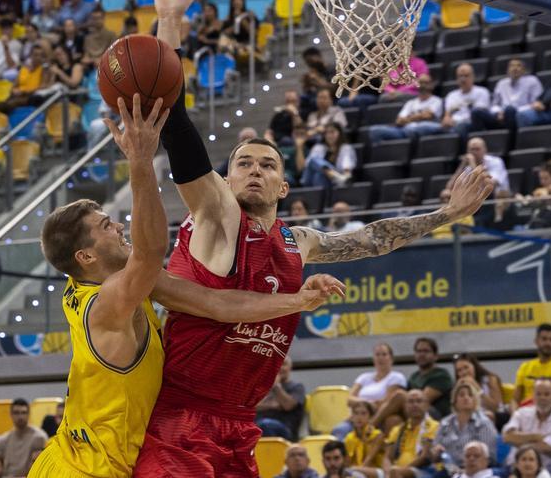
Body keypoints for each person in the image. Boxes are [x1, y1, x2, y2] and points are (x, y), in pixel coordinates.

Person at [132, 0, 493, 475]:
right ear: (227, 177)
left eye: (267, 165)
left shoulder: (296, 242)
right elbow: (176, 122)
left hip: (240, 424)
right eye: (243, 164)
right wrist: (170, 18)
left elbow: (375, 237)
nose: (254, 170)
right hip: (181, 420)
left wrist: (447, 215)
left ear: (283, 187)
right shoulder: (217, 216)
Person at [30, 94, 343, 477]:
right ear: (86, 257)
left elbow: (218, 304)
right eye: (106, 227)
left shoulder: (111, 286)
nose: (119, 226)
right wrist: (141, 160)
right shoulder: (109, 300)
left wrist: (297, 300)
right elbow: (150, 250)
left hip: (68, 456)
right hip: (88, 470)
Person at [333, 342, 406, 439]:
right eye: (377, 355)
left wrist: (363, 406)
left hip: (378, 419)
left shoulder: (396, 377)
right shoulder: (364, 377)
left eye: (384, 354)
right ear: (373, 359)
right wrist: (367, 403)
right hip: (357, 417)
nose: (380, 358)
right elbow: (350, 400)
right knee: (339, 430)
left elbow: (387, 403)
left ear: (391, 359)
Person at [431, 380, 498, 472]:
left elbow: (489, 456)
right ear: (454, 401)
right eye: (462, 395)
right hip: (446, 468)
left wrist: (464, 470)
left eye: (470, 395)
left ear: (475, 400)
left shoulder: (483, 422)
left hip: (474, 470)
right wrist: (436, 452)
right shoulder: (445, 422)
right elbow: (435, 449)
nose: (466, 398)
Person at [502, 379, 551, 469]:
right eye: (538, 394)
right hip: (514, 466)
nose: (542, 398)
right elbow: (507, 437)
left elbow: (549, 447)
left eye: (547, 394)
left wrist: (519, 440)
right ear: (533, 396)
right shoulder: (521, 413)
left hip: (545, 469)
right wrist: (535, 437)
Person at [368, 74, 443, 145]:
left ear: (432, 85)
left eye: (426, 83)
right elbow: (399, 121)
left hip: (423, 129)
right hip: (404, 131)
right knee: (374, 130)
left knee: (420, 126)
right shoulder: (410, 103)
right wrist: (419, 116)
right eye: (421, 83)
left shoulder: (437, 100)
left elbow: (428, 116)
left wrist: (408, 119)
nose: (423, 85)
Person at [471, 59, 542, 133]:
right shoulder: (501, 83)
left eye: (518, 66)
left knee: (509, 110)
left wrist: (510, 111)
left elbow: (535, 104)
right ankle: (481, 140)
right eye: (512, 66)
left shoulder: (532, 81)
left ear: (524, 70)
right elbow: (494, 105)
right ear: (507, 70)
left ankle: (511, 142)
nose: (515, 68)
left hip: (518, 116)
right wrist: (498, 112)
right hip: (500, 117)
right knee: (476, 112)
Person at [513, 324, 551, 410]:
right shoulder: (525, 367)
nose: (548, 343)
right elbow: (515, 399)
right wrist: (515, 416)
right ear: (536, 341)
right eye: (544, 339)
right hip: (525, 413)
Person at [384, 389, 440, 478]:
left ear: (427, 405)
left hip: (422, 471)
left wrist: (399, 471)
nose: (415, 405)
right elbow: (387, 457)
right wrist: (388, 474)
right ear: (405, 406)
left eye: (419, 401)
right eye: (410, 402)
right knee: (356, 472)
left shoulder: (434, 427)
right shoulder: (398, 429)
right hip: (394, 472)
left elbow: (424, 457)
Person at [256, 356, 306, 441]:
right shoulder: (261, 387)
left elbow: (288, 405)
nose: (279, 367)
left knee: (266, 424)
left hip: (286, 431)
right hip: (258, 426)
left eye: (283, 364)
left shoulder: (297, 387)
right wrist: (275, 405)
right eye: (275, 364)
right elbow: (252, 406)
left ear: (290, 367)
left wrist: (276, 386)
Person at [0, 399, 46, 477]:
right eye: (16, 413)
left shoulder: (39, 438)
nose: (20, 416)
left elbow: (40, 468)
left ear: (29, 414)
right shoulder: (2, 440)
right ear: (11, 414)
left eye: (23, 413)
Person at [300, 123, 356, 188]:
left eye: (332, 132)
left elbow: (347, 165)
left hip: (328, 183)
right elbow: (308, 165)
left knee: (319, 175)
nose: (329, 135)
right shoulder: (318, 147)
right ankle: (336, 177)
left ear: (340, 133)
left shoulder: (345, 148)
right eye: (327, 133)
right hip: (309, 180)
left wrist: (347, 176)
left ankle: (337, 178)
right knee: (313, 160)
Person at [442, 64, 491, 138]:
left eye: (466, 76)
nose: (463, 79)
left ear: (473, 77)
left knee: (461, 127)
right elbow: (447, 114)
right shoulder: (451, 95)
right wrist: (447, 119)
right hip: (453, 125)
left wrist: (456, 121)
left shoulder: (482, 92)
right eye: (460, 76)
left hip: (472, 125)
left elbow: (477, 116)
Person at [453, 353, 504, 419]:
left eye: (466, 367)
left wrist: (478, 389)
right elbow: (455, 411)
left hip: (495, 417)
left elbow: (496, 407)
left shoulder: (491, 379)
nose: (464, 372)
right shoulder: (460, 385)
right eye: (459, 370)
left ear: (474, 366)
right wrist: (457, 390)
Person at [344, 400, 385, 476]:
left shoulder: (377, 435)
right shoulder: (349, 438)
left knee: (352, 471)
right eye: (356, 413)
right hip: (355, 472)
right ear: (352, 417)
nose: (359, 417)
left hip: (375, 472)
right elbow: (347, 462)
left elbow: (368, 460)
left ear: (370, 417)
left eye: (363, 413)